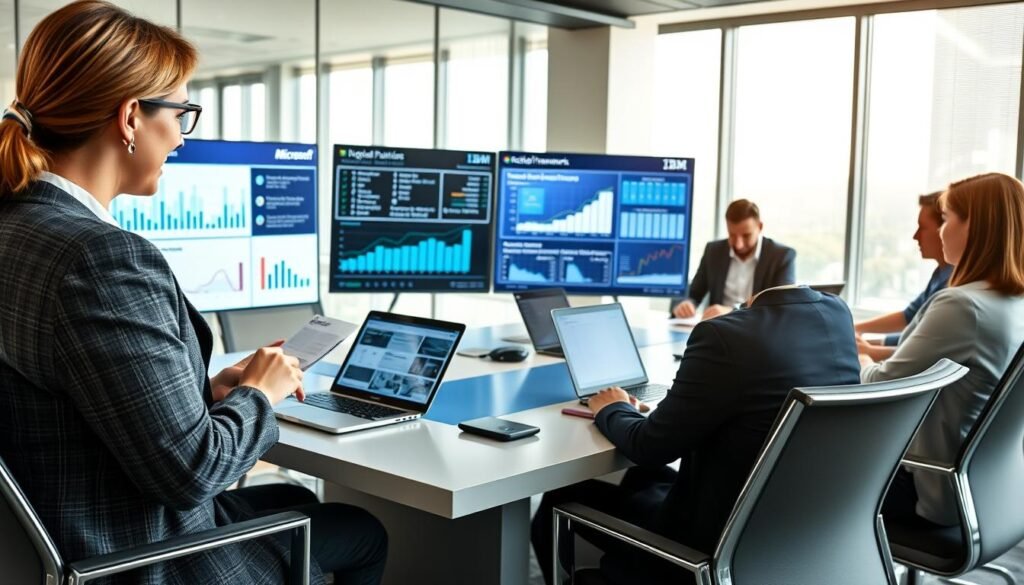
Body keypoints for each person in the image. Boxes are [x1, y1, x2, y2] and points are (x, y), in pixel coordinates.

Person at [0, 3, 385, 584]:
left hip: (62, 530)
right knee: (362, 532)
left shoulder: (16, 227)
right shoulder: (101, 258)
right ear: (131, 118)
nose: (182, 137)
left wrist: (207, 392)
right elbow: (191, 473)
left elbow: (72, 399)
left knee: (293, 502)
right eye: (181, 113)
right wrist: (260, 392)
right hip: (139, 554)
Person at [533, 285, 860, 584]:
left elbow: (649, 447)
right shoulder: (836, 315)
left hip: (707, 547)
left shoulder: (724, 337)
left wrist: (612, 407)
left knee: (561, 497)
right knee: (638, 479)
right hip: (796, 537)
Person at [860, 173, 1024, 527]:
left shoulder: (964, 306)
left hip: (935, 489)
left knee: (785, 472)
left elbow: (880, 385)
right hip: (992, 491)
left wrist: (856, 353)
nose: (941, 230)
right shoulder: (1013, 301)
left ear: (974, 227)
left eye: (946, 219)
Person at [855, 191, 953, 361]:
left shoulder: (952, 284)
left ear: (944, 229)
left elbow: (924, 354)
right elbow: (909, 317)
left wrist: (868, 350)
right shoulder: (941, 272)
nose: (915, 236)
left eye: (922, 227)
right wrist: (857, 329)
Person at [671, 199, 796, 321]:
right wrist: (685, 304)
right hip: (719, 333)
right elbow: (693, 293)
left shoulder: (782, 256)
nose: (738, 244)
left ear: (760, 226)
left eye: (746, 236)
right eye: (732, 235)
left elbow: (781, 307)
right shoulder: (713, 251)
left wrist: (733, 311)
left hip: (759, 333)